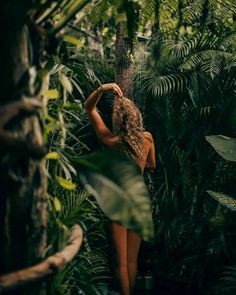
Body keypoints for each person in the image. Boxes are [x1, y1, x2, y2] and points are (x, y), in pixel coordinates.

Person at [84, 83, 156, 295]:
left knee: (120, 265)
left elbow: (88, 107)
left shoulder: (111, 142)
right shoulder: (147, 139)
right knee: (132, 261)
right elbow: (152, 165)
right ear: (136, 118)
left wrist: (103, 89)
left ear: (118, 120)